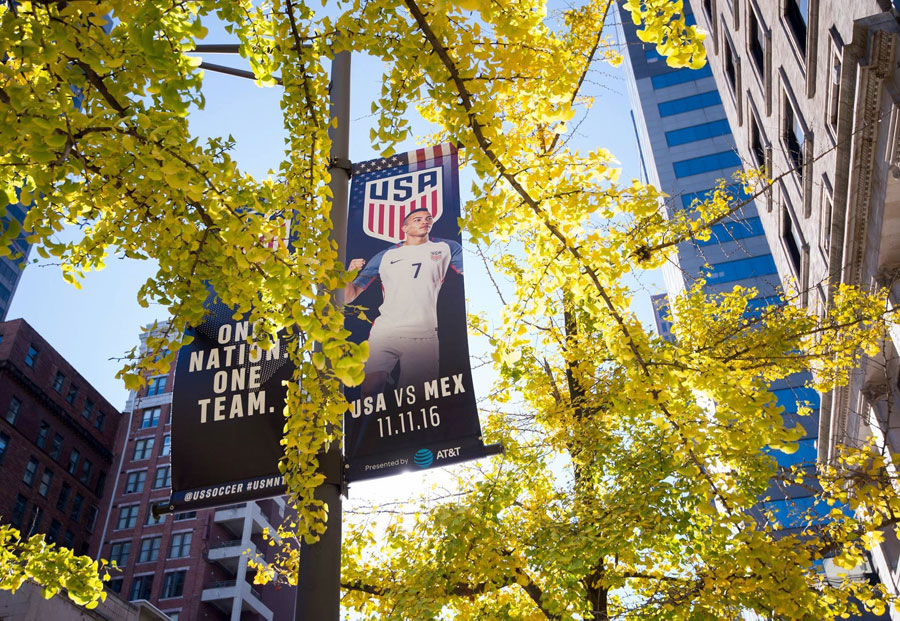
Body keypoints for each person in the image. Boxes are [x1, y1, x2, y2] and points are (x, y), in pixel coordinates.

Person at [345, 207, 463, 396]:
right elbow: (349, 297)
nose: (425, 221)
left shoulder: (447, 247)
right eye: (417, 219)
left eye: (428, 218)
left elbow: (469, 275)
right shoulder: (385, 256)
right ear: (404, 228)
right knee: (371, 387)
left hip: (424, 334)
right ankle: (370, 425)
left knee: (416, 398)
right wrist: (349, 274)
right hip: (387, 330)